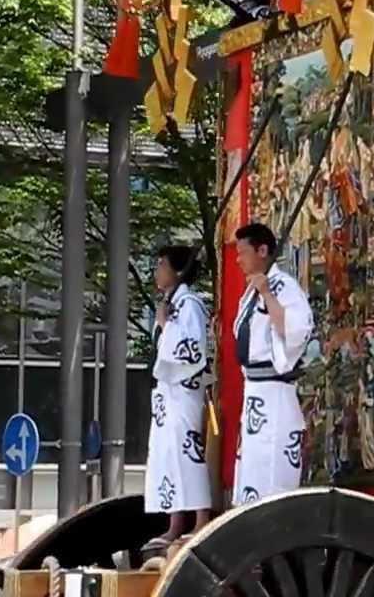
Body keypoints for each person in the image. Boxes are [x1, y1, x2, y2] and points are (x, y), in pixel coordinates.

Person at [231, 223, 314, 505]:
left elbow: (296, 331)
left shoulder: (283, 287)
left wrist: (267, 294)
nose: (238, 259)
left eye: (243, 252)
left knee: (272, 470)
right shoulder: (250, 291)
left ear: (262, 250)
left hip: (275, 392)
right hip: (254, 391)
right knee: (253, 468)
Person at [143, 245, 213, 549]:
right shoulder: (172, 304)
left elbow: (193, 349)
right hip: (166, 393)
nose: (157, 270)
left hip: (183, 389)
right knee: (167, 454)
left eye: (162, 264)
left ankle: (200, 518)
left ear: (177, 270)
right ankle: (175, 521)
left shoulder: (190, 304)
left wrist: (164, 324)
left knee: (187, 451)